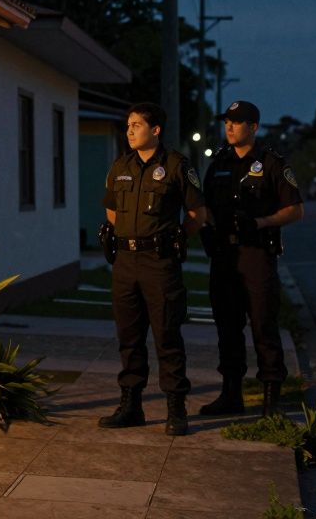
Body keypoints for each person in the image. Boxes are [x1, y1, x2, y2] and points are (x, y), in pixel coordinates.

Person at [97, 103, 207, 436]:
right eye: (128, 125)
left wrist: (171, 240)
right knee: (129, 337)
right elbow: (111, 212)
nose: (129, 131)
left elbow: (197, 215)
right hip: (125, 262)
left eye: (136, 125)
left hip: (160, 263)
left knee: (166, 335)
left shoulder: (176, 166)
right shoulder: (120, 166)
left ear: (155, 130)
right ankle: (131, 406)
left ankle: (176, 408)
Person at [199, 100, 304, 417]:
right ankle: (231, 394)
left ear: (253, 127)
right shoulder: (218, 163)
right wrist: (205, 227)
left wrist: (260, 222)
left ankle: (271, 397)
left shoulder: (271, 163)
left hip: (256, 254)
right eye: (227, 122)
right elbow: (205, 206)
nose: (229, 127)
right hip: (224, 256)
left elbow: (295, 210)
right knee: (227, 326)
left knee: (263, 325)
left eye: (237, 122)